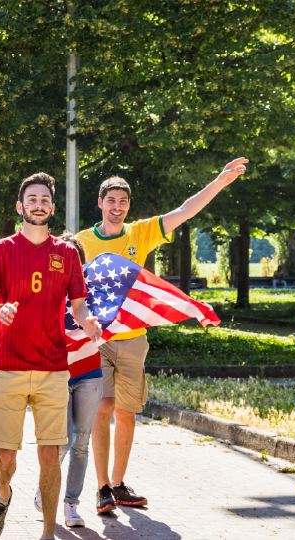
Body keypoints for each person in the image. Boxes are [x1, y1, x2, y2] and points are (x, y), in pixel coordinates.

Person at [76, 158, 247, 513]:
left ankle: (120, 484)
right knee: (102, 407)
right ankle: (102, 487)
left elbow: (186, 209)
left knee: (126, 411)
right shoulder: (81, 241)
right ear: (100, 203)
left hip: (134, 338)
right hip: (97, 339)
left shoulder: (141, 232)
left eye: (123, 202)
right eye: (111, 201)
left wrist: (218, 181)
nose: (117, 207)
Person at [0, 173, 100, 540]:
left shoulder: (67, 253)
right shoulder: (1, 250)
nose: (38, 204)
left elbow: (78, 307)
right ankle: (4, 493)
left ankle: (46, 533)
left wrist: (87, 321)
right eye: (32, 198)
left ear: (53, 208)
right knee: (7, 458)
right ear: (20, 206)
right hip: (9, 368)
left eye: (45, 199)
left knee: (49, 454)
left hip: (53, 370)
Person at [32, 234, 102, 529]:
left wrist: (97, 325)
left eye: (76, 256)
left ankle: (71, 504)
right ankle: (46, 487)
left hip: (89, 371)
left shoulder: (96, 291)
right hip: (57, 373)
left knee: (82, 441)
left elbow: (111, 318)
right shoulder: (44, 288)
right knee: (61, 441)